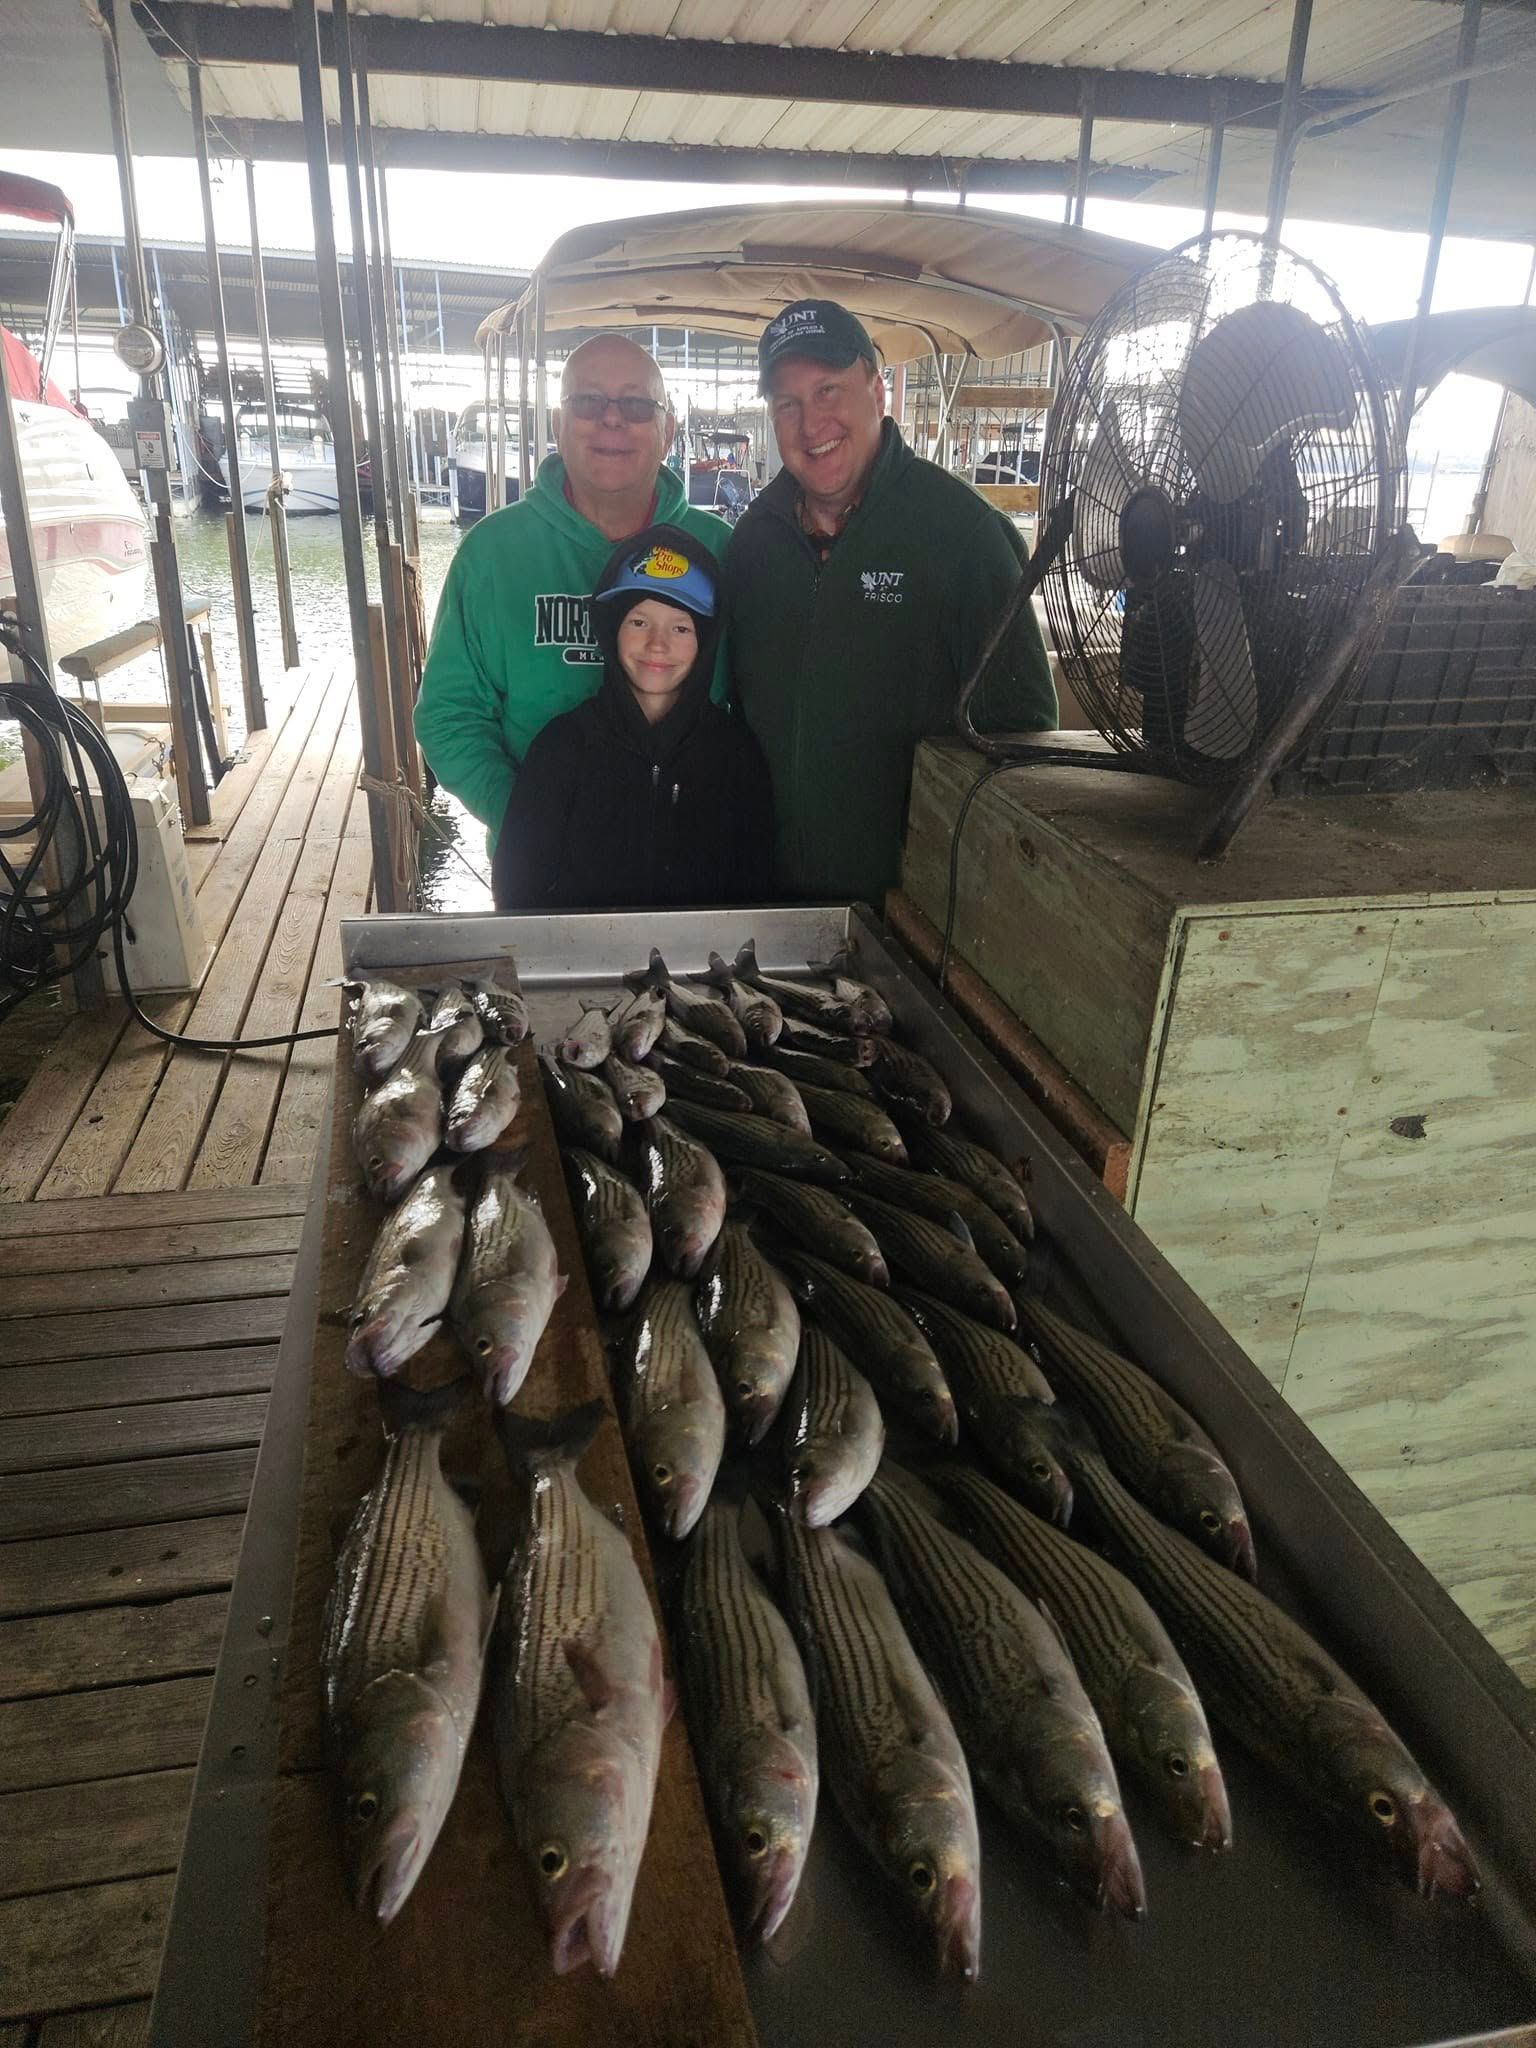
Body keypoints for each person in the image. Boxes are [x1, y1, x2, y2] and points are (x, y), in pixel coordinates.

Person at [726, 299, 1059, 905]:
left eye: (829, 390)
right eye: (788, 403)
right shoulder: (752, 541)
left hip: (910, 911)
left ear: (877, 394)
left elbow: (1025, 742)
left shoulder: (965, 536)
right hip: (763, 901)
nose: (811, 424)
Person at [415, 334, 731, 850]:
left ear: (667, 431)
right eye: (588, 401)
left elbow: (754, 707)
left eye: (636, 404)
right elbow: (448, 716)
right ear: (559, 426)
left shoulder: (721, 551)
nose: (612, 419)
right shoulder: (492, 552)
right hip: (539, 872)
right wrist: (531, 818)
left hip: (692, 864)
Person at [491, 525, 772, 912]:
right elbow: (516, 891)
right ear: (612, 630)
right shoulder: (561, 749)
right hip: (579, 966)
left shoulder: (736, 756)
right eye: (639, 622)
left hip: (704, 969)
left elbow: (758, 891)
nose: (658, 644)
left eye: (681, 627)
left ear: (705, 642)